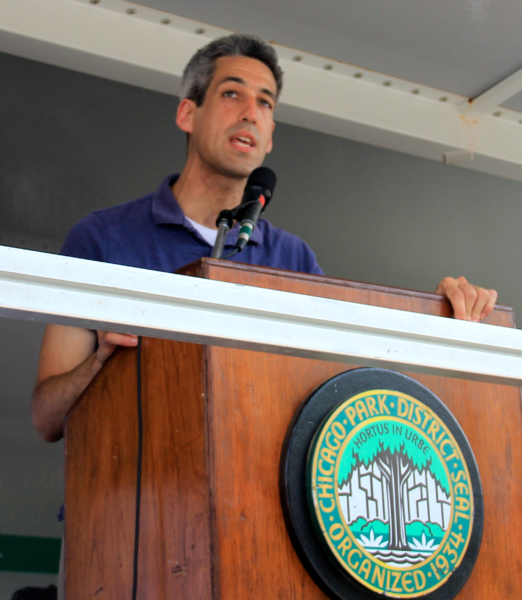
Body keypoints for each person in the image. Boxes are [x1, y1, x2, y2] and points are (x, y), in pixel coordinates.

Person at [32, 34, 497, 444]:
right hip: (123, 522)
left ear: (271, 136)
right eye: (232, 93)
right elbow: (46, 417)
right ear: (187, 113)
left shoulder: (293, 258)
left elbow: (336, 386)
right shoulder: (104, 238)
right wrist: (103, 364)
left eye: (265, 103)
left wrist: (440, 321)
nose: (250, 113)